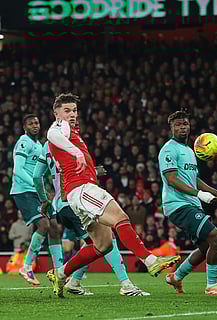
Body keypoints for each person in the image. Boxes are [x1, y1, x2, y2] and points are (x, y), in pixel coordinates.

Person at [45, 93, 179, 298]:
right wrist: (78, 153)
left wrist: (89, 166)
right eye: (67, 110)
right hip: (81, 189)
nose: (72, 114)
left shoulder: (72, 132)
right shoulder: (59, 127)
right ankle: (150, 261)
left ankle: (61, 274)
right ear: (57, 113)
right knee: (120, 218)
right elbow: (51, 135)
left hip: (77, 191)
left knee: (103, 244)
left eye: (74, 110)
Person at [33, 141, 150, 296]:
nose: (73, 117)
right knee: (106, 240)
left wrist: (44, 201)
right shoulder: (67, 141)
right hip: (74, 200)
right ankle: (126, 284)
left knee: (96, 244)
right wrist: (94, 171)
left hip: (62, 205)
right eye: (70, 115)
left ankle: (73, 281)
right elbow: (69, 173)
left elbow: (36, 176)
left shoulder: (47, 145)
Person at [159, 109, 217, 296]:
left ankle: (176, 277)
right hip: (178, 205)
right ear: (171, 128)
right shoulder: (168, 149)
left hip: (191, 204)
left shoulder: (190, 151)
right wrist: (200, 194)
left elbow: (194, 179)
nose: (182, 127)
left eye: (185, 124)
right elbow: (172, 179)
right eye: (178, 125)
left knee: (206, 246)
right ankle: (212, 286)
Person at [10, 114, 63, 286]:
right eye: (31, 123)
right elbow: (18, 169)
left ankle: (60, 271)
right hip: (24, 190)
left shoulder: (39, 145)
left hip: (37, 191)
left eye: (37, 123)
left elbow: (43, 171)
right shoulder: (24, 142)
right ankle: (26, 266)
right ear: (25, 126)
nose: (35, 125)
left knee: (55, 226)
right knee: (44, 225)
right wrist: (34, 186)